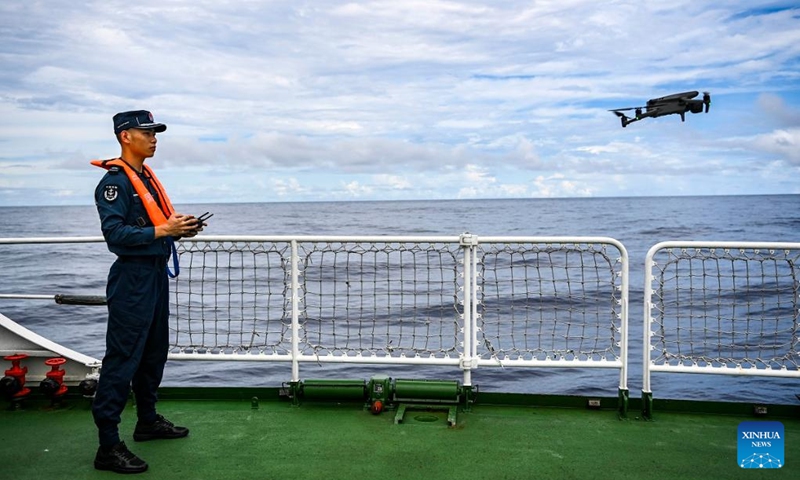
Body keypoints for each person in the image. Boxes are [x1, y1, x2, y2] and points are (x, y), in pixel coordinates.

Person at [91, 110, 204, 474]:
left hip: (154, 275)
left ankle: (147, 421)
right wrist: (162, 232)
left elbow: (157, 224)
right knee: (123, 358)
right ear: (126, 136)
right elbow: (115, 237)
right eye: (148, 132)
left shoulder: (146, 178)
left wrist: (179, 228)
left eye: (156, 133)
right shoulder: (115, 183)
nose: (154, 138)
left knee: (154, 351)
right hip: (131, 279)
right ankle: (108, 445)